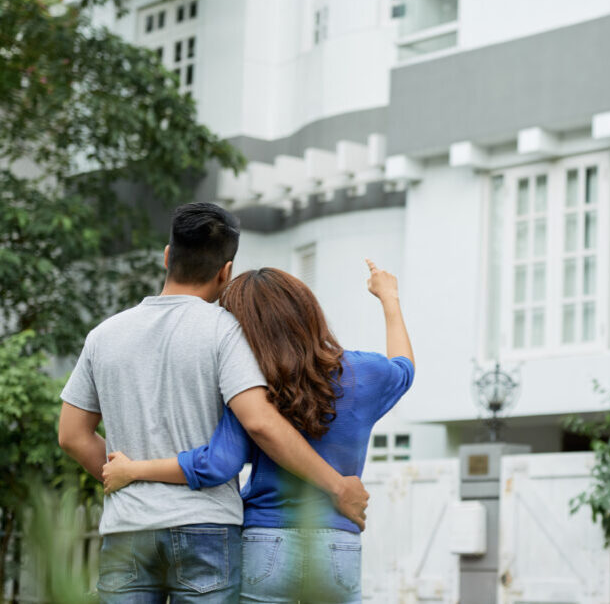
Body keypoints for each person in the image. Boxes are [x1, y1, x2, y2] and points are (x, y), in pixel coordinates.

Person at [58, 203, 369, 603]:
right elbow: (259, 422)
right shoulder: (227, 332)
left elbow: (71, 435)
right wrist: (337, 486)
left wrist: (130, 476)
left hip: (127, 526)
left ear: (167, 256)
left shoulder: (104, 335)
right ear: (226, 272)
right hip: (206, 527)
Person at [100, 260, 414, 603]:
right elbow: (404, 368)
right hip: (337, 541)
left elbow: (217, 464)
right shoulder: (363, 373)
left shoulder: (252, 388)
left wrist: (133, 470)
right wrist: (389, 298)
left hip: (265, 543)